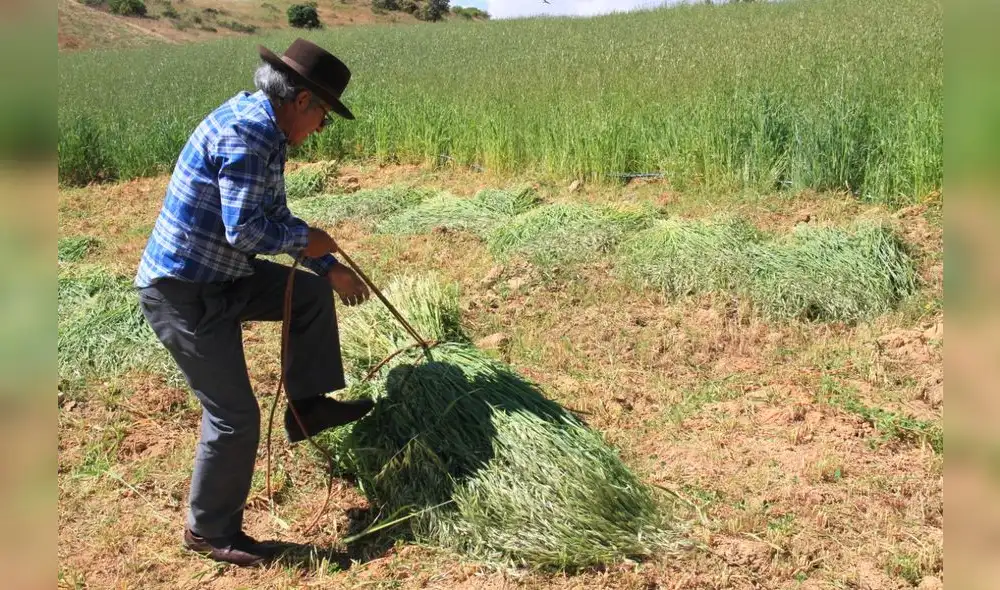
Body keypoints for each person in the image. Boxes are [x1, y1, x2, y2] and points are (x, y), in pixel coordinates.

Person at [134, 39, 373, 567]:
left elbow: (274, 219)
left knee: (309, 294)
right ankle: (210, 531)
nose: (321, 130)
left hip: (223, 275)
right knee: (235, 416)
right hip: (183, 290)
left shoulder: (268, 128)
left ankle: (306, 407)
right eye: (324, 116)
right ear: (303, 100)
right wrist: (311, 239)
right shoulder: (246, 133)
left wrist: (329, 268)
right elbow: (244, 231)